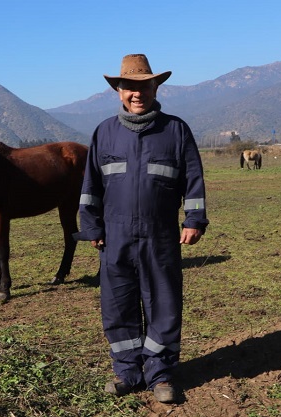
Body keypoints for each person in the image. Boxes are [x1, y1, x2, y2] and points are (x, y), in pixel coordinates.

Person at [73, 54, 208, 404]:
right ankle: (127, 372)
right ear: (118, 90)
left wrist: (194, 220)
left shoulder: (175, 130)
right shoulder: (104, 132)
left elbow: (193, 179)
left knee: (163, 304)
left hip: (160, 235)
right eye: (129, 87)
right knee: (118, 305)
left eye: (143, 86)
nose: (136, 93)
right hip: (114, 237)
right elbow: (91, 186)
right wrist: (91, 226)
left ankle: (160, 374)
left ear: (155, 87)